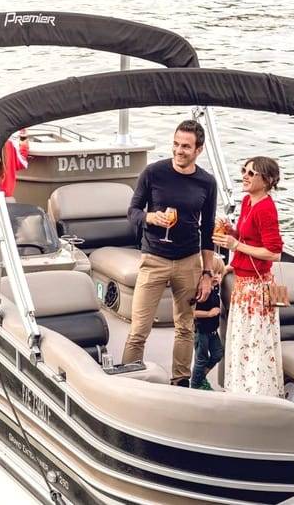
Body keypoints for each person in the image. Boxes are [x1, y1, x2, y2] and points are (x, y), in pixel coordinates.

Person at [121, 119, 218, 387]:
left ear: (199, 149)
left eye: (186, 146)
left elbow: (208, 230)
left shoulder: (207, 183)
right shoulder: (153, 172)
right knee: (139, 328)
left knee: (185, 327)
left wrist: (207, 273)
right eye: (176, 144)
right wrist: (151, 218)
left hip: (189, 262)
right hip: (153, 259)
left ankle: (180, 383)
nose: (179, 150)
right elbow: (133, 212)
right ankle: (129, 380)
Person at [212, 156, 284, 397]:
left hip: (257, 288)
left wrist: (235, 246)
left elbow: (274, 253)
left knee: (255, 342)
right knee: (241, 340)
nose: (245, 175)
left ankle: (258, 393)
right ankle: (240, 389)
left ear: (268, 180)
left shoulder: (265, 208)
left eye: (252, 173)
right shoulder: (247, 202)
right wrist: (231, 232)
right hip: (243, 284)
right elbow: (249, 238)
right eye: (244, 170)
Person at [191, 256, 225, 390]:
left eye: (219, 273)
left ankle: (201, 378)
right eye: (213, 273)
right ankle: (195, 385)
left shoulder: (215, 288)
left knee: (217, 354)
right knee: (201, 359)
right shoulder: (199, 292)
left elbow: (224, 270)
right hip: (202, 331)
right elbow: (191, 313)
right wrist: (209, 314)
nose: (216, 277)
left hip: (213, 331)